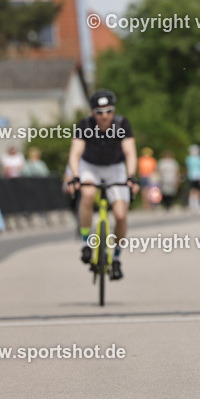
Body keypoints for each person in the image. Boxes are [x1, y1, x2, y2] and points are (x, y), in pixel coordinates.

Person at [67, 89, 139, 280]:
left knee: (121, 215)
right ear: (93, 112)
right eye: (99, 112)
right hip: (90, 166)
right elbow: (75, 153)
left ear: (114, 111)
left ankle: (116, 259)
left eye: (109, 111)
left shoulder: (122, 124)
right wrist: (75, 177)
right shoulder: (85, 125)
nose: (104, 116)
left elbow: (130, 152)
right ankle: (85, 242)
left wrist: (131, 176)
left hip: (115, 167)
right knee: (88, 194)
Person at [185, 145, 200, 213]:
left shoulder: (190, 158)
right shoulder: (196, 158)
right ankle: (194, 204)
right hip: (194, 176)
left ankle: (194, 204)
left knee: (194, 190)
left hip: (196, 176)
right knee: (196, 190)